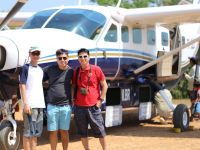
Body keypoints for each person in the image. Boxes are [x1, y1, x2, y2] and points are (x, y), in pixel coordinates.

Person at [73, 48, 108, 150]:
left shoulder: (96, 69)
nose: (83, 58)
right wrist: (73, 99)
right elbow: (73, 86)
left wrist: (100, 100)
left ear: (89, 57)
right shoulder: (76, 71)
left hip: (93, 107)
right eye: (80, 57)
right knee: (83, 133)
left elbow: (105, 86)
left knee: (101, 132)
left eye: (85, 56)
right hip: (79, 107)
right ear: (78, 58)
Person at [43, 49, 73, 150]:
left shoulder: (71, 71)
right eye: (60, 58)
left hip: (66, 107)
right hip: (52, 106)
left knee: (64, 132)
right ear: (57, 59)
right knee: (53, 132)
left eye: (64, 58)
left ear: (68, 59)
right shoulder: (50, 69)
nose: (62, 60)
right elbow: (37, 77)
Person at [19, 46, 46, 150]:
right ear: (29, 54)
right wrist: (26, 103)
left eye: (37, 53)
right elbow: (22, 85)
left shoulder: (40, 70)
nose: (35, 56)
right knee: (28, 133)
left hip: (40, 104)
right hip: (30, 105)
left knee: (35, 133)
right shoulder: (25, 68)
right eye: (33, 53)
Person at [184, 57, 197, 121]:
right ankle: (192, 116)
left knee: (193, 102)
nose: (189, 62)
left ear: (192, 62)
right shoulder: (196, 68)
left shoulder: (194, 69)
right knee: (194, 102)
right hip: (194, 88)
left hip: (192, 88)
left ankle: (191, 117)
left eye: (190, 61)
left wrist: (185, 75)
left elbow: (192, 79)